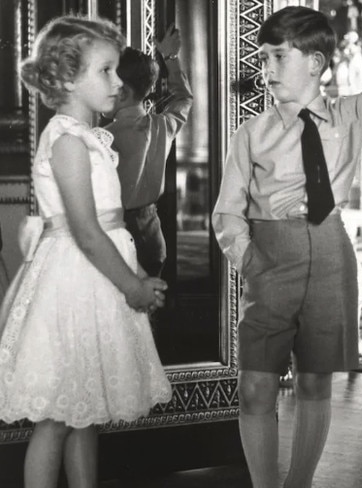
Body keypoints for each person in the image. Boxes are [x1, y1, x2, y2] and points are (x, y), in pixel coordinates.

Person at [212, 6, 362, 487]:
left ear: (315, 62)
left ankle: (300, 483)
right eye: (263, 57)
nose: (266, 69)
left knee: (315, 381)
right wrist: (250, 260)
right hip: (270, 258)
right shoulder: (250, 134)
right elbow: (227, 210)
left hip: (331, 254)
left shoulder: (352, 114)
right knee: (255, 386)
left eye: (278, 57)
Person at [0, 15, 172, 487]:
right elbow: (87, 231)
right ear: (66, 79)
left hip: (97, 279)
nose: (118, 82)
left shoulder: (92, 138)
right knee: (56, 416)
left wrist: (135, 276)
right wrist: (133, 285)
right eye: (106, 71)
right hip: (74, 282)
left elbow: (113, 227)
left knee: (84, 411)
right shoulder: (68, 142)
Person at [103, 24, 193, 277]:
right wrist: (170, 58)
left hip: (119, 236)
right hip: (153, 236)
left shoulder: (105, 136)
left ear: (122, 92)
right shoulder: (162, 125)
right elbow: (184, 98)